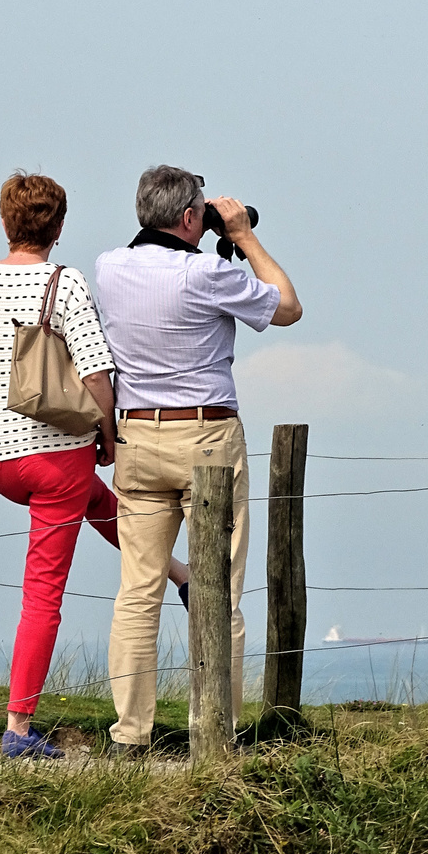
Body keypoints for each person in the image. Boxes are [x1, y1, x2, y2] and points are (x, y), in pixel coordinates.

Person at [0, 171, 188, 759]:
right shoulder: (66, 282)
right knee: (43, 594)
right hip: (58, 459)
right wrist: (109, 436)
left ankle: (180, 576)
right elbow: (97, 372)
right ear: (58, 226)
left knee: (96, 500)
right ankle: (18, 729)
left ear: (6, 222)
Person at [95, 165, 302, 754]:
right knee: (217, 590)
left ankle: (129, 734)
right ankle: (215, 730)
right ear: (192, 218)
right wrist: (242, 235)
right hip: (206, 440)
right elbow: (287, 307)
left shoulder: (109, 267)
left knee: (137, 592)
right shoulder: (206, 273)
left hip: (137, 438)